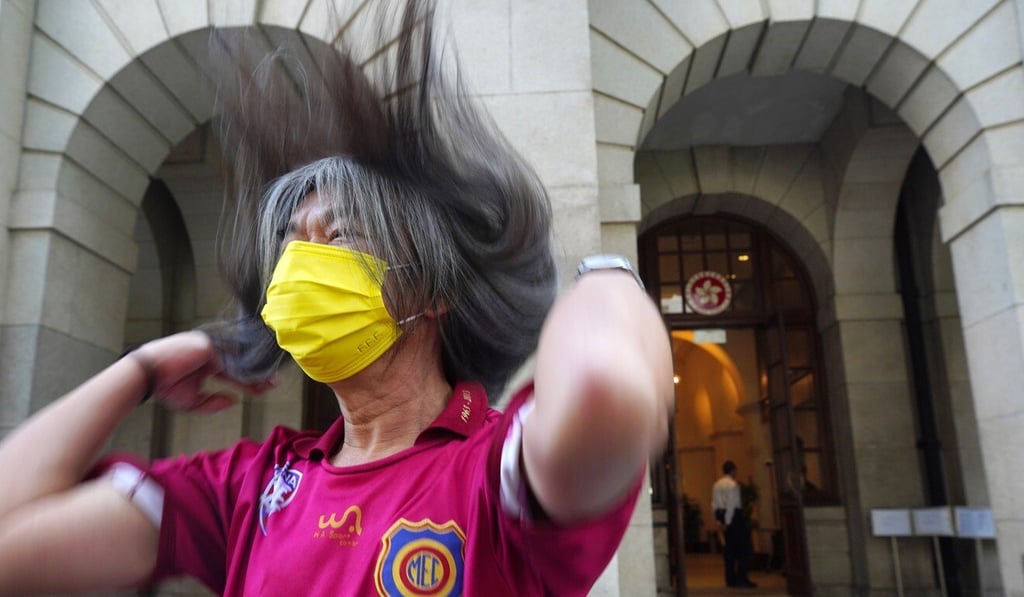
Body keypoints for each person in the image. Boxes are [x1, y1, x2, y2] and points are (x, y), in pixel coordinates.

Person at [0, 1, 672, 596]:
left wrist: (606, 275)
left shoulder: (497, 473)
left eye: (342, 233)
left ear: (432, 290)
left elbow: (602, 387)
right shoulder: (250, 486)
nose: (301, 264)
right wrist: (140, 368)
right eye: (293, 242)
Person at [712, 460, 757, 589]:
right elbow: (732, 505)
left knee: (729, 550)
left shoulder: (716, 484)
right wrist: (728, 521)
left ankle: (730, 579)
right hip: (734, 518)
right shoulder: (733, 485)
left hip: (720, 513)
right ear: (732, 470)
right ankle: (742, 578)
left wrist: (719, 521)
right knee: (742, 549)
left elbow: (714, 503)